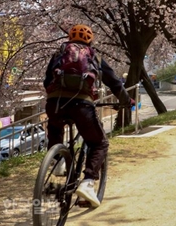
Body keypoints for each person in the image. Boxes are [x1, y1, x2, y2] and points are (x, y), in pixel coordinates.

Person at [43, 24, 133, 208]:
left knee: (54, 126)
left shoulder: (59, 52)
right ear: (90, 40)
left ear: (69, 38)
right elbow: (115, 83)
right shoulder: (94, 56)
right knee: (99, 143)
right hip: (82, 106)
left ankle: (58, 160)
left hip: (55, 103)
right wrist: (125, 100)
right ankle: (88, 182)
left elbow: (47, 81)